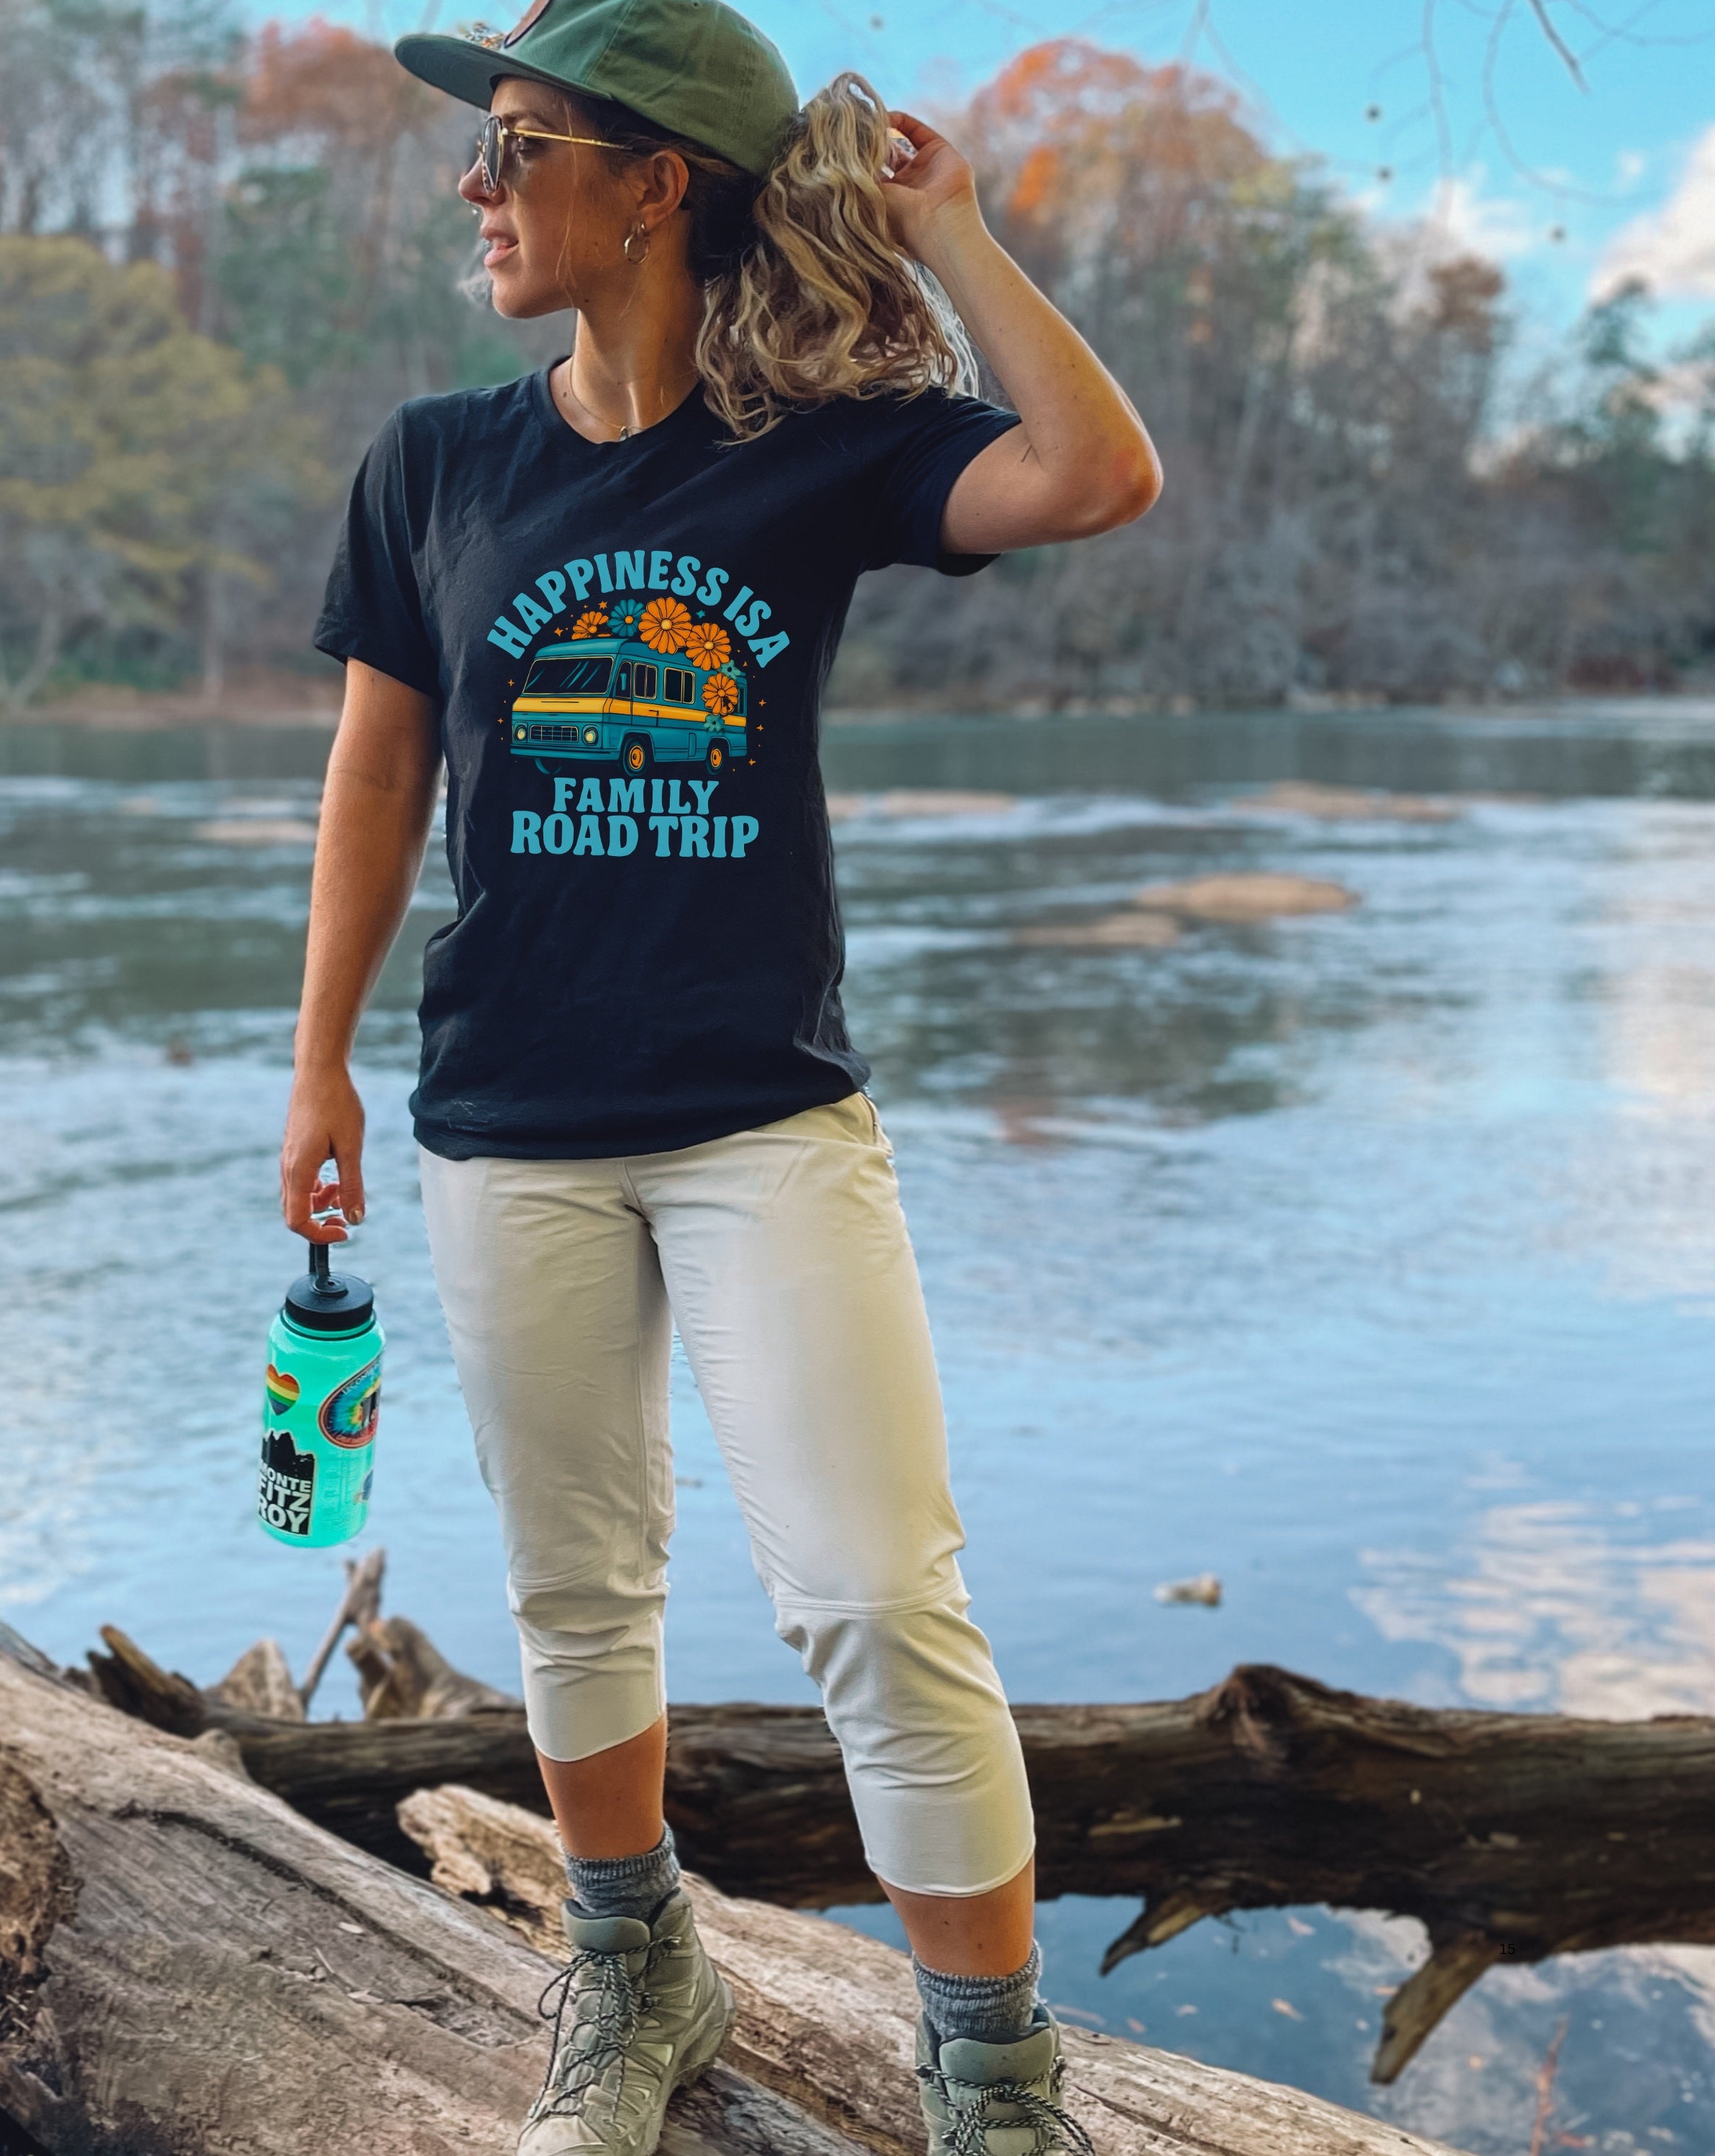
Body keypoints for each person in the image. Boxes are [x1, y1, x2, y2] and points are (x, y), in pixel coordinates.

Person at [285, 3, 1157, 2149]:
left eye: (515, 147)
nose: (475, 189)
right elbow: (380, 770)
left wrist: (954, 229)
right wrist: (313, 1066)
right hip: (512, 1123)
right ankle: (634, 1971)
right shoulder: (436, 461)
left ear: (653, 182)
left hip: (766, 1113)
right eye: (478, 153)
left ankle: (996, 2087)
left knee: (876, 1594)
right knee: (579, 1593)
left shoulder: (824, 443)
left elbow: (1095, 471)